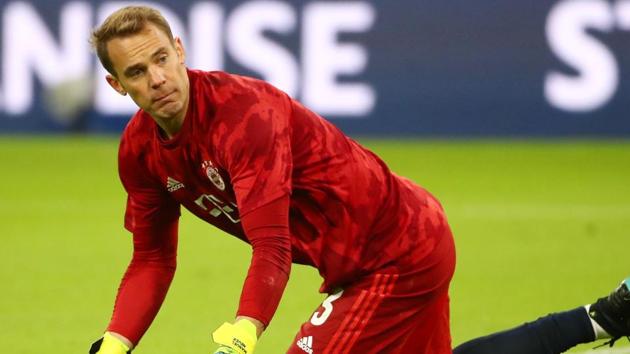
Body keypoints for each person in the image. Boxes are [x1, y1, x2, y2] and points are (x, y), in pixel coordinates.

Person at [87, 6, 630, 354]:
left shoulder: (242, 117)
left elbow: (271, 245)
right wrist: (116, 341)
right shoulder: (139, 152)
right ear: (116, 85)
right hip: (382, 246)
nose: (157, 79)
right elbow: (153, 258)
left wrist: (244, 330)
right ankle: (602, 318)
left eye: (162, 58)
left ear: (180, 50)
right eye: (137, 72)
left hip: (394, 251)